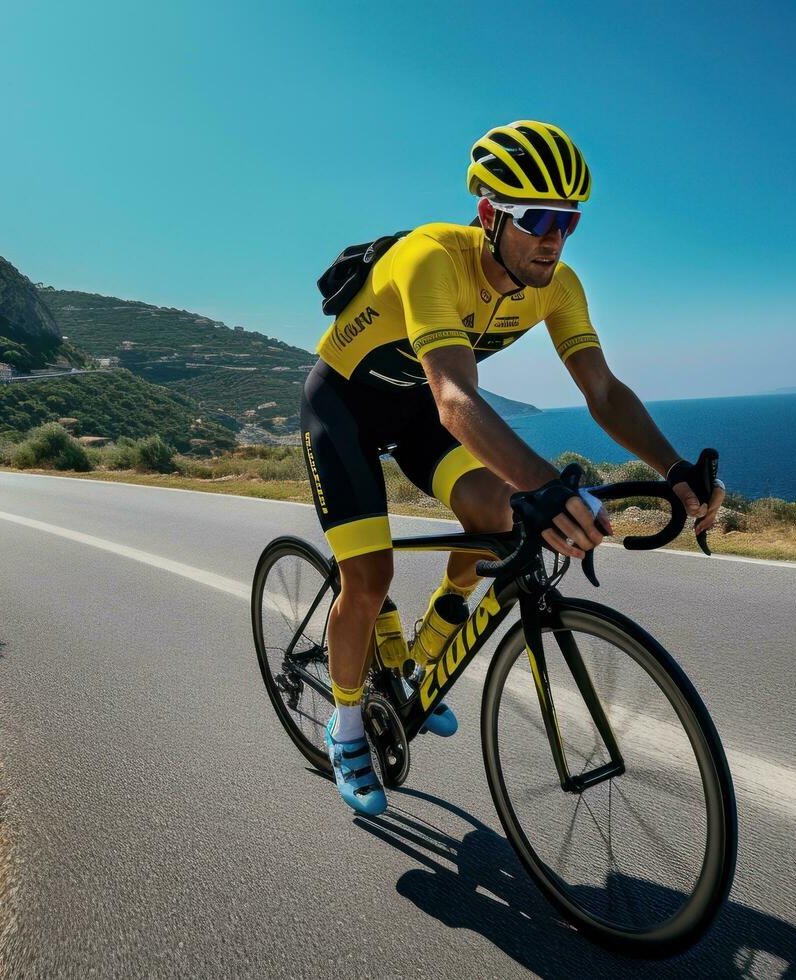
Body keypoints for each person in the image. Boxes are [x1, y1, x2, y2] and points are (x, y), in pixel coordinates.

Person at [302, 120, 724, 815]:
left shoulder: (557, 286)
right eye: (537, 219)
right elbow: (453, 396)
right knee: (368, 576)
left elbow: (603, 392)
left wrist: (673, 465)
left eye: (569, 221)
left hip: (411, 415)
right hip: (343, 410)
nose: (554, 238)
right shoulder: (429, 259)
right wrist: (549, 486)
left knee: (496, 514)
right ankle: (345, 725)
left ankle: (425, 655)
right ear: (489, 214)